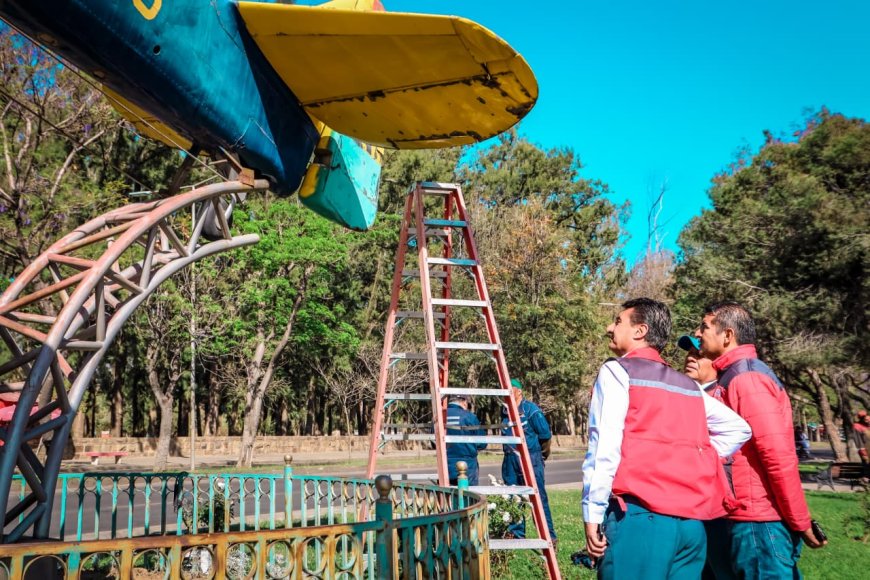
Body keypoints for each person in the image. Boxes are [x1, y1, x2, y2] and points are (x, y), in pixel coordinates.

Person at [582, 298, 751, 579]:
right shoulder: (687, 384)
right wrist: (695, 459)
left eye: (618, 321)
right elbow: (738, 429)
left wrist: (592, 513)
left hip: (639, 520)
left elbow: (604, 448)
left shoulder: (616, 371)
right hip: (691, 528)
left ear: (640, 331)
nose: (609, 327)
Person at [695, 301, 827, 578]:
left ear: (727, 335)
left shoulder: (747, 378)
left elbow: (777, 456)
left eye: (705, 327)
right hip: (742, 520)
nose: (698, 333)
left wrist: (800, 521)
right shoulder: (730, 376)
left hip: (759, 525)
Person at [678, 334, 734, 580]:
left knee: (723, 570)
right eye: (688, 353)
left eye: (698, 355)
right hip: (689, 506)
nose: (690, 358)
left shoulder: (724, 396)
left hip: (719, 506)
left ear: (716, 361)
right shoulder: (682, 395)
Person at [501, 377, 556, 543]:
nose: (507, 393)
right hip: (510, 459)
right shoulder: (504, 412)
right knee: (513, 497)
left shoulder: (531, 409)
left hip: (530, 458)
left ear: (519, 391)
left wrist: (541, 455)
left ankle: (548, 537)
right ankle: (516, 534)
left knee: (537, 498)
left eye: (510, 389)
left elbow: (545, 435)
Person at [445, 395, 486, 486]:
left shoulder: (439, 417)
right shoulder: (470, 417)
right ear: (464, 402)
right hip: (468, 463)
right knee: (469, 496)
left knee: (447, 495)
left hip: (445, 463)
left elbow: (434, 442)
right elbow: (482, 443)